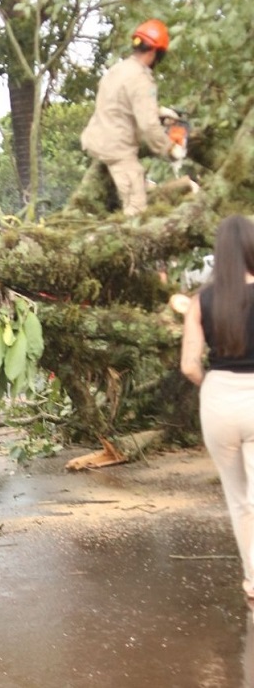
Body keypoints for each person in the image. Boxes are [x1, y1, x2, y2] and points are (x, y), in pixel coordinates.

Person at [180, 215, 254, 605]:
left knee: (239, 499)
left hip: (219, 398)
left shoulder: (201, 301)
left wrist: (211, 383)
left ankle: (253, 581)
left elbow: (190, 365)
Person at [80, 18, 186, 216]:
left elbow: (120, 106)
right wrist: (170, 149)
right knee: (136, 210)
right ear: (156, 52)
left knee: (143, 187)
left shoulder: (118, 70)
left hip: (96, 140)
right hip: (118, 150)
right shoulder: (141, 79)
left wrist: (159, 111)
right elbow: (148, 127)